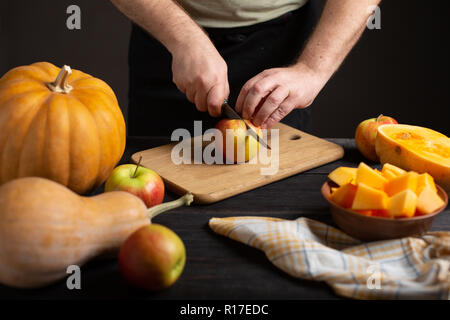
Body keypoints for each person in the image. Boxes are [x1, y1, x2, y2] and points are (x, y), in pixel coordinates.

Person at [111, 0, 381, 137]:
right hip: (167, 40)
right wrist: (183, 39)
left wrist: (312, 69)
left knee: (275, 193)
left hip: (284, 47)